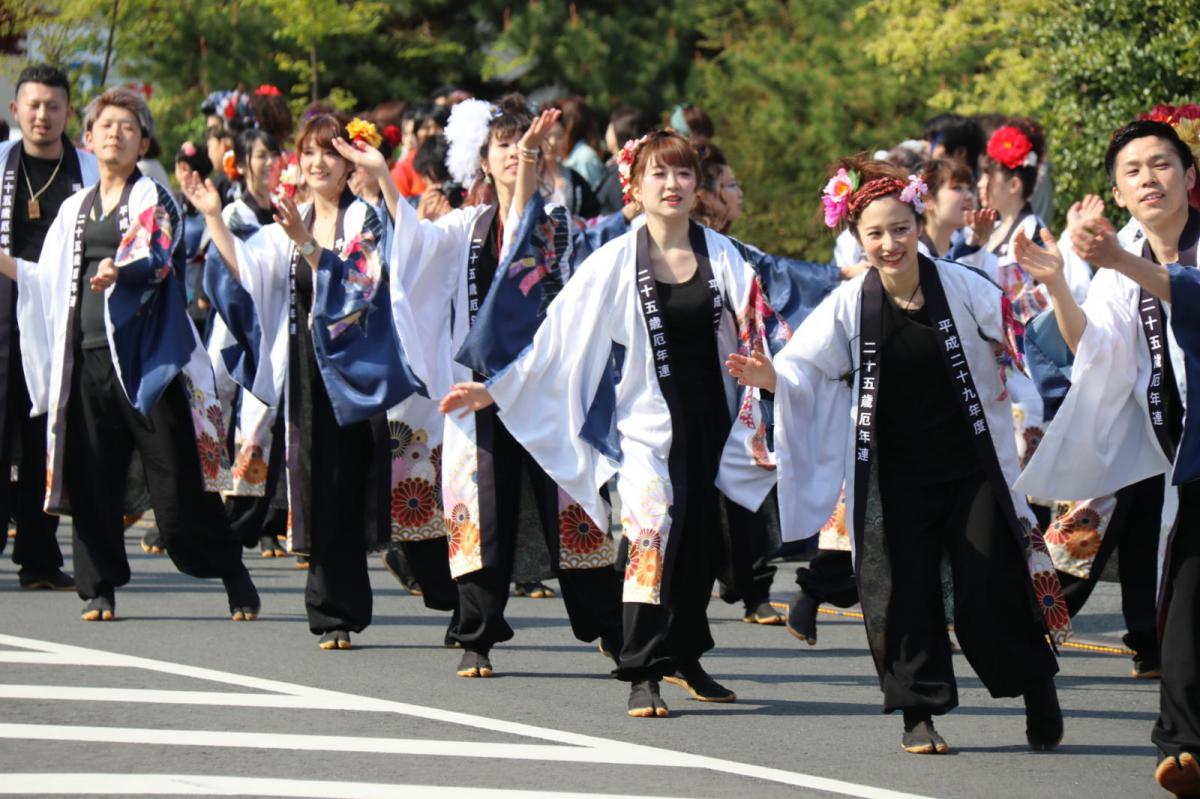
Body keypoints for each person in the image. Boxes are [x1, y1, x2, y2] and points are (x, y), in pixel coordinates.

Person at [438, 129, 783, 716]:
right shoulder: (615, 261)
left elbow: (764, 327)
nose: (671, 185)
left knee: (698, 543)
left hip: (714, 423)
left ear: (696, 185)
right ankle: (642, 669)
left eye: (682, 174)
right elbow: (558, 337)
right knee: (649, 534)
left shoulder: (725, 256)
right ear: (636, 185)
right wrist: (494, 390)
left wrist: (768, 372)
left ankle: (686, 655)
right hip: (648, 427)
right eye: (658, 174)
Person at [727, 155, 1065, 754]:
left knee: (989, 582)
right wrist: (771, 378)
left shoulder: (961, 285)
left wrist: (1040, 322)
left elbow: (1020, 332)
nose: (890, 244)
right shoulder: (850, 303)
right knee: (903, 590)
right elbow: (805, 368)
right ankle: (917, 711)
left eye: (901, 229)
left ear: (920, 221)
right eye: (874, 234)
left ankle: (1035, 685)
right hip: (893, 473)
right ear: (856, 239)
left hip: (971, 468)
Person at [187, 113, 456, 650]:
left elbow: (361, 283)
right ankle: (333, 613)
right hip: (310, 373)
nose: (316, 163)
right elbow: (248, 272)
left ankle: (459, 599)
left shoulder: (365, 219)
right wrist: (215, 218)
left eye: (329, 153)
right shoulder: (293, 217)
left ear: (348, 160)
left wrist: (308, 244)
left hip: (362, 375)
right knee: (324, 488)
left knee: (388, 489)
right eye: (308, 153)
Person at [0, 87, 260, 622]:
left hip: (148, 366)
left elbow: (157, 255)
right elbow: (46, 280)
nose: (116, 134)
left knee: (177, 483)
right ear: (88, 139)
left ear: (143, 141)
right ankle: (99, 589)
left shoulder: (152, 197)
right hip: (86, 360)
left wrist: (121, 270)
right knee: (92, 478)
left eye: (129, 126)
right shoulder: (74, 207)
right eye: (107, 126)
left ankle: (229, 568)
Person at [387, 96, 624, 681]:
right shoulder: (465, 226)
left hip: (544, 387)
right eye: (504, 148)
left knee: (572, 508)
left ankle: (613, 629)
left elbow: (522, 236)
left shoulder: (556, 224)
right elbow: (413, 248)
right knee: (479, 511)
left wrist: (529, 162)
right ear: (482, 162)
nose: (516, 157)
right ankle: (478, 633)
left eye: (528, 149)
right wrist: (381, 181)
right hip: (476, 390)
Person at [1012, 119, 1200, 798]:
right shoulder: (1123, 263)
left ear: (1188, 175)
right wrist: (1062, 284)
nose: (1149, 178)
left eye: (1162, 164)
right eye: (1133, 170)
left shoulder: (1142, 258)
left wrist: (1120, 262)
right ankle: (1183, 746)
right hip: (1186, 452)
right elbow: (1097, 348)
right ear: (1119, 190)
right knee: (1183, 591)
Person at [0, 64, 97, 591]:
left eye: (53, 106)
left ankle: (38, 558)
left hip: (64, 316)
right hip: (3, 307)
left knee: (49, 437)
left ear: (68, 112)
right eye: (33, 105)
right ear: (16, 111)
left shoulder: (88, 169)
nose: (42, 115)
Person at [201, 128, 290, 560]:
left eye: (275, 153)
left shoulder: (294, 206)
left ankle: (275, 520)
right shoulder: (236, 210)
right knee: (244, 415)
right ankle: (229, 513)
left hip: (284, 321)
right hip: (241, 318)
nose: (269, 162)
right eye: (260, 155)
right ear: (245, 162)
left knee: (280, 425)